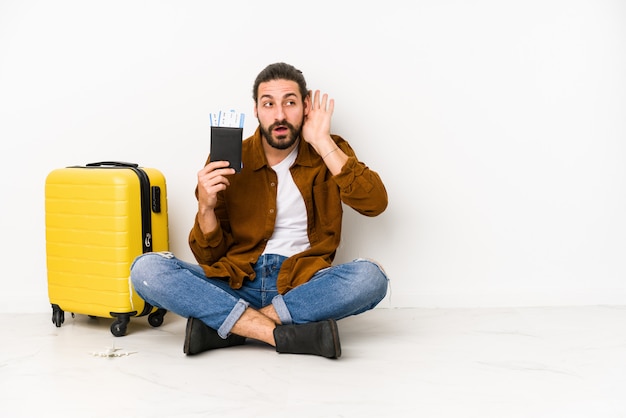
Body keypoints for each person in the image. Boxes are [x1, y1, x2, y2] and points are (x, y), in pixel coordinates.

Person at [130, 62, 389, 359]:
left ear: (306, 107)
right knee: (146, 270)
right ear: (256, 110)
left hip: (302, 285)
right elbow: (209, 258)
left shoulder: (329, 149)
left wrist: (321, 140)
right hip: (237, 281)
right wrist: (206, 207)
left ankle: (229, 327)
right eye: (268, 104)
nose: (279, 115)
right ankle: (279, 334)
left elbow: (375, 204)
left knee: (371, 278)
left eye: (289, 102)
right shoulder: (227, 159)